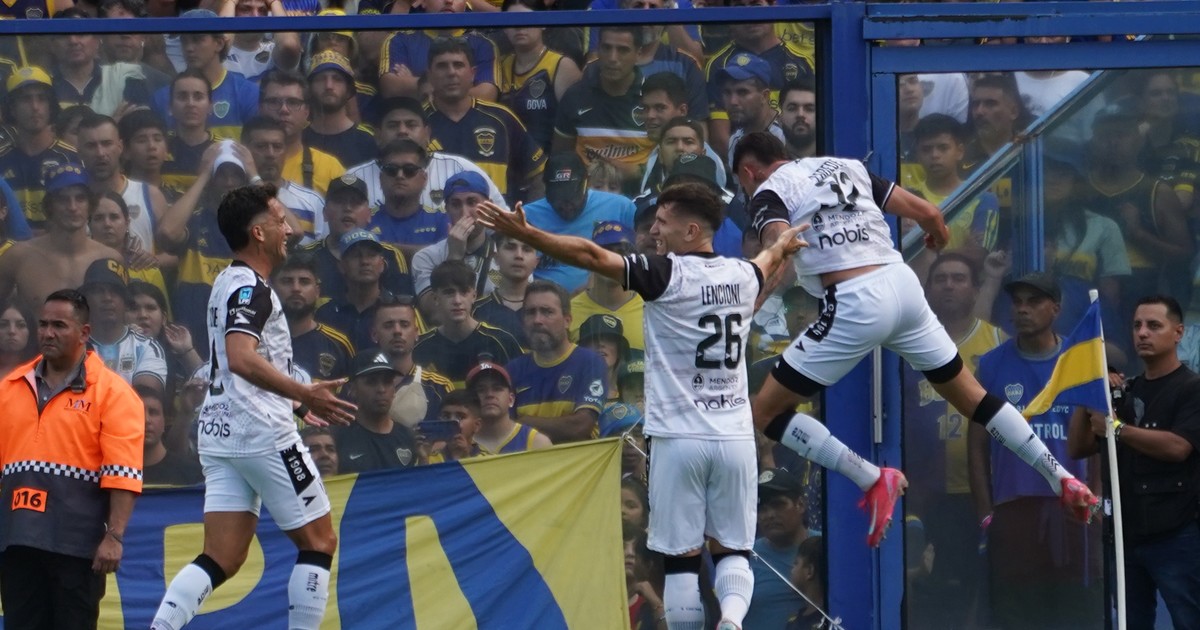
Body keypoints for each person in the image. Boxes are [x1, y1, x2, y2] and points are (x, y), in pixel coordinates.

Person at [734, 131, 1098, 548]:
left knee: (763, 413)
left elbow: (780, 246)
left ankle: (871, 478)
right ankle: (1061, 477)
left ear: (748, 172)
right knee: (974, 400)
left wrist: (749, 300)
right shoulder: (846, 166)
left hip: (854, 302)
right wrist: (937, 237)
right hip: (903, 287)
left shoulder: (768, 192)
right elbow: (928, 213)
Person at [477, 182, 805, 630]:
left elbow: (590, 256)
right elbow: (767, 263)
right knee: (733, 551)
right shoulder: (742, 274)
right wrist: (781, 246)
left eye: (663, 223)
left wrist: (529, 234)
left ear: (691, 231)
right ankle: (731, 620)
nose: (653, 232)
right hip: (733, 439)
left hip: (678, 439)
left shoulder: (665, 274)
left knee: (681, 562)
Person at [150, 184, 356, 630]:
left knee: (221, 556)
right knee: (320, 541)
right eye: (280, 220)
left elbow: (236, 362)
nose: (289, 229)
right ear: (258, 233)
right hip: (263, 433)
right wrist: (304, 393)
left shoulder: (228, 281)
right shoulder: (253, 290)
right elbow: (241, 357)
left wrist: (293, 399)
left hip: (221, 432)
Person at [0, 289, 144, 629]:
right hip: (17, 541)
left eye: (59, 326)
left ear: (84, 332)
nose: (48, 333)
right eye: (43, 325)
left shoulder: (114, 393)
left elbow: (122, 472)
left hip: (77, 546)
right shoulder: (9, 388)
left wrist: (114, 537)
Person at [968, 273, 1102, 629]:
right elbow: (976, 443)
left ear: (1055, 308)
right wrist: (985, 511)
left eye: (1034, 301)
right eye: (1017, 302)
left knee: (1076, 611)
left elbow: (1098, 439)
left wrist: (1098, 500)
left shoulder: (1081, 360)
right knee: (1017, 613)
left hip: (1074, 507)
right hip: (1014, 507)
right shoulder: (992, 365)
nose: (1023, 309)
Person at [1068, 295, 1200, 630]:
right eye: (1137, 325)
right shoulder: (1125, 392)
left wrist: (1117, 428)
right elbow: (1078, 448)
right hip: (1125, 536)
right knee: (1129, 623)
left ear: (1178, 332)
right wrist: (1090, 395)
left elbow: (1179, 447)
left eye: (1154, 325)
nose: (1142, 333)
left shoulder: (1192, 388)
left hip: (1178, 534)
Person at [423, 38, 545, 203]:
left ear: (472, 73)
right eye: (442, 66)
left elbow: (538, 175)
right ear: (429, 76)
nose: (451, 72)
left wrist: (528, 216)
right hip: (436, 218)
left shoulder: (502, 119)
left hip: (495, 218)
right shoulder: (417, 122)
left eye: (458, 65)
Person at [0, 163, 123, 317]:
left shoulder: (109, 259)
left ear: (90, 205)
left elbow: (122, 318)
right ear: (50, 206)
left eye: (80, 198)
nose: (72, 207)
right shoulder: (18, 257)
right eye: (63, 199)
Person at [505, 280, 608, 443]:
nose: (537, 320)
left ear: (567, 320)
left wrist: (524, 422)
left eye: (547, 312)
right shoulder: (512, 370)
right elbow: (504, 431)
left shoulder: (590, 362)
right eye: (530, 312)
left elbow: (580, 427)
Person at [553, 26, 654, 191]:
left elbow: (668, 158)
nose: (612, 58)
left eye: (623, 50)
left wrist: (638, 172)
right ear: (598, 50)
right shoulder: (575, 96)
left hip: (642, 196)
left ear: (639, 54)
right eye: (606, 48)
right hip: (586, 197)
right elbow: (560, 159)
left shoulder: (653, 97)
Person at [521, 152, 636, 293]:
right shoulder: (527, 215)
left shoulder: (621, 207)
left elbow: (642, 257)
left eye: (572, 198)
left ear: (586, 184)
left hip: (603, 297)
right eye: (558, 199)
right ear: (546, 191)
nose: (566, 206)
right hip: (543, 299)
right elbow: (504, 267)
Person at [295, 173, 416, 300]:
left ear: (369, 214)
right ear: (325, 213)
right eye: (339, 201)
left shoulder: (389, 254)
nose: (347, 208)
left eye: (356, 203)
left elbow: (403, 304)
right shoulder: (306, 256)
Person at [413, 260, 523, 384]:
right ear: (435, 298)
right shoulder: (419, 348)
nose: (457, 301)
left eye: (464, 292)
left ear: (474, 296)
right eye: (449, 293)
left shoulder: (503, 342)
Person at [77, 113, 170, 258]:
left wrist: (154, 260)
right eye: (91, 146)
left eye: (107, 143)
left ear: (120, 146)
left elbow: (174, 253)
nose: (100, 153)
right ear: (79, 151)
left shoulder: (149, 195)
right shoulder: (72, 202)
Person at [0, 66, 78, 231]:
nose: (35, 107)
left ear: (51, 106)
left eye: (42, 99)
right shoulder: (1, 159)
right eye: (26, 99)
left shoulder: (71, 158)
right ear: (12, 108)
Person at [78, 258, 168, 393]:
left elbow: (144, 400)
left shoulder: (146, 347)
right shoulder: (70, 346)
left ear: (126, 301)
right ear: (86, 300)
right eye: (98, 291)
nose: (107, 298)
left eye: (115, 292)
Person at [315, 229, 409, 350]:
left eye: (371, 255)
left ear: (382, 264)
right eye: (356, 256)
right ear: (342, 266)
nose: (365, 262)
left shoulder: (401, 311)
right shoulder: (326, 313)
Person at [370, 294, 455, 426]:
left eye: (404, 325)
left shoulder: (439, 387)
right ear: (374, 334)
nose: (397, 331)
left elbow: (453, 433)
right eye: (388, 325)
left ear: (416, 332)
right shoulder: (355, 386)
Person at [745, 468, 814, 630]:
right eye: (761, 508)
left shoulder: (826, 548)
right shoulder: (744, 557)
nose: (769, 515)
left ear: (800, 504)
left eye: (778, 505)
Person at [257, 69, 344, 196]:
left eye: (293, 102)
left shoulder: (330, 169)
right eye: (274, 102)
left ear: (307, 111)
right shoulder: (240, 164)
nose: (284, 109)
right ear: (260, 109)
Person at [241, 116, 326, 245]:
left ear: (286, 151)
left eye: (277, 146)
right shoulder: (233, 198)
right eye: (261, 146)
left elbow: (324, 251)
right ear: (244, 150)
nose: (270, 154)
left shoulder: (312, 202)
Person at [336, 348, 420, 472]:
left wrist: (424, 458)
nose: (381, 389)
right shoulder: (337, 438)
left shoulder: (408, 438)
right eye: (371, 382)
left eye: (387, 382)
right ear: (352, 389)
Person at [274, 254, 354, 382]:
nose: (296, 288)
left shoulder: (338, 345)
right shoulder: (254, 338)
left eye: (304, 282)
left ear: (317, 291)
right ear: (272, 289)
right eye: (287, 281)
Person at [570, 221, 645, 352]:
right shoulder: (570, 312)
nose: (612, 259)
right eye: (604, 252)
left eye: (621, 252)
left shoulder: (651, 310)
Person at [303, 51, 375, 166]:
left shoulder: (367, 141)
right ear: (309, 89)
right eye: (321, 79)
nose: (329, 86)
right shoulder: (297, 138)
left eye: (337, 79)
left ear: (349, 90)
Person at [465, 360, 551, 454]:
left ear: (511, 399)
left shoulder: (537, 443)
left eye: (497, 389)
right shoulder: (458, 444)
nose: (489, 394)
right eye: (481, 390)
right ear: (469, 400)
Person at [472, 232, 537, 347]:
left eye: (526, 249)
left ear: (536, 262)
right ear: (496, 258)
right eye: (510, 248)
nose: (519, 255)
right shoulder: (475, 310)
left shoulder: (549, 308)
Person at [140, 384, 203, 486]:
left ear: (164, 421)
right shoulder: (117, 472)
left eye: (153, 412)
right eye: (138, 413)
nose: (146, 420)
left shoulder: (192, 474)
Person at [780, 78, 817, 159]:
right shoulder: (767, 164)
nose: (800, 114)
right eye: (792, 108)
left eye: (809, 109)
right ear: (780, 117)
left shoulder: (840, 163)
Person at [0, 301, 35, 376]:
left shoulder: (42, 371)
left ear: (30, 330)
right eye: (4, 325)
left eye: (21, 325)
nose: (12, 331)